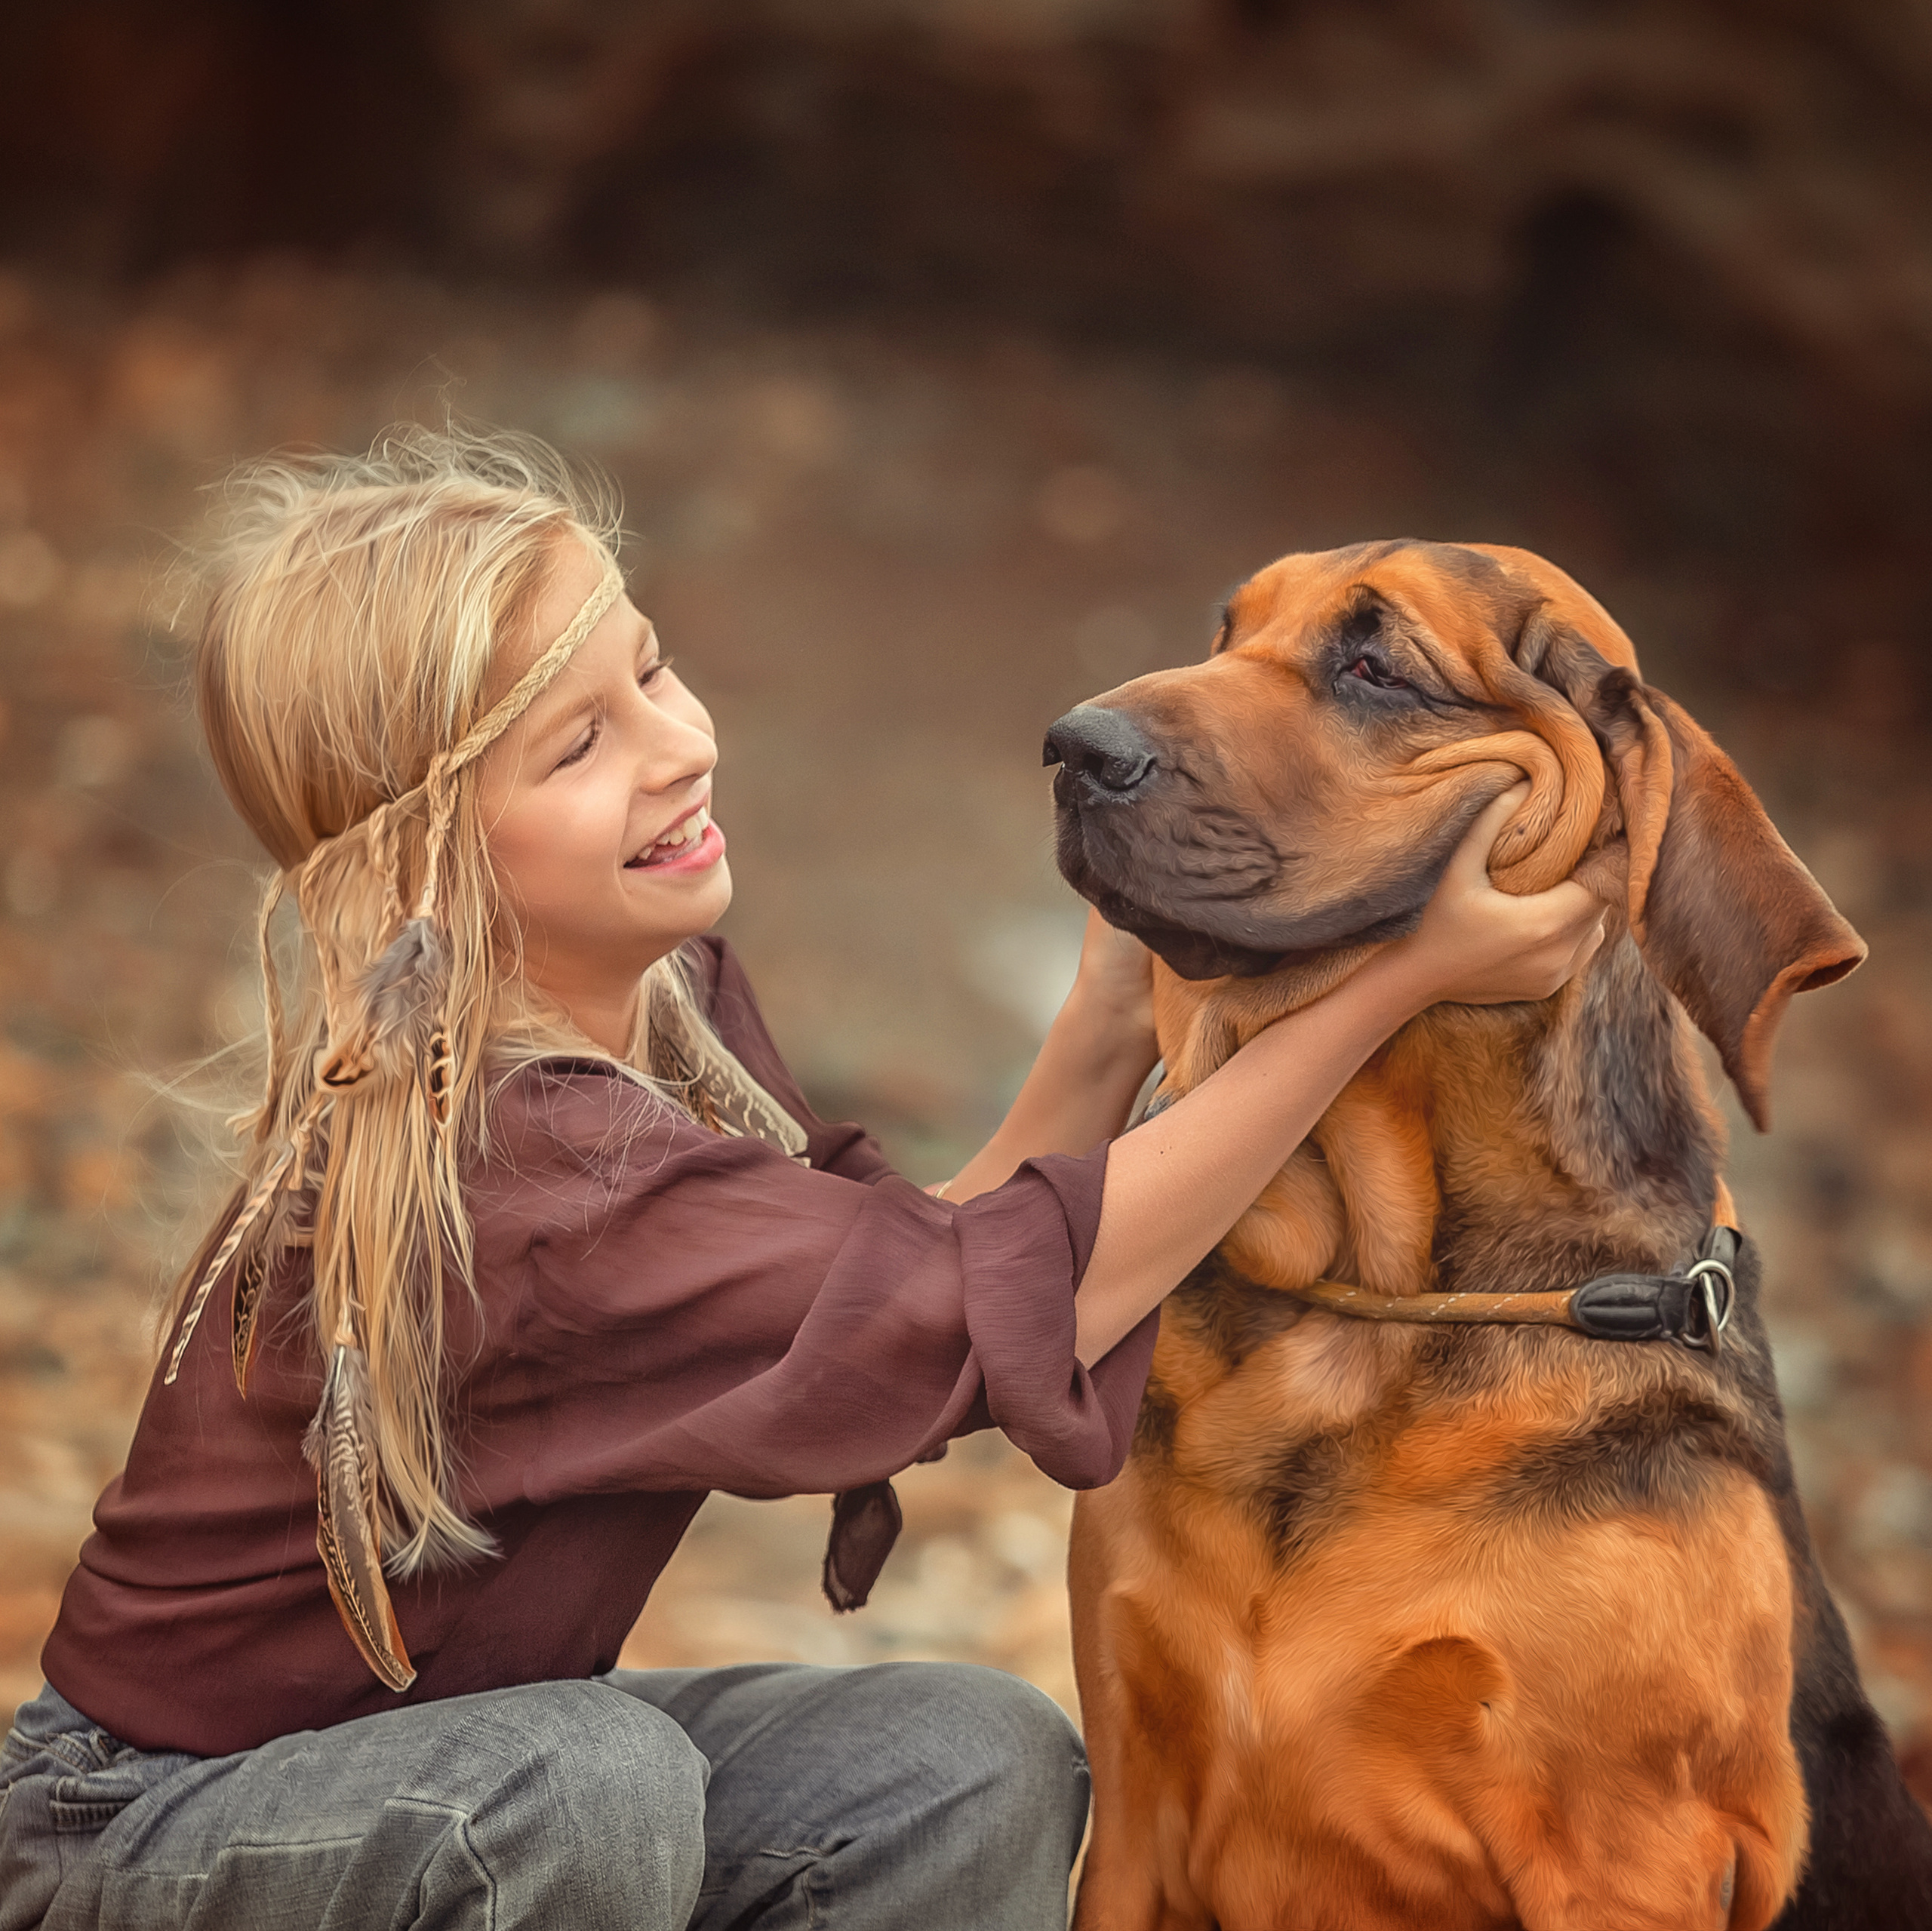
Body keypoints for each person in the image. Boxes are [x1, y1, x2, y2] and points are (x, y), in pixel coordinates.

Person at [0, 429, 1604, 1931]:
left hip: (432, 1769)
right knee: (581, 1791)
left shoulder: (663, 1004)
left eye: (651, 669)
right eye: (580, 745)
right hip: (141, 1828)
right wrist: (1389, 983)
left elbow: (934, 1268)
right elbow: (1013, 1297)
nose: (681, 746)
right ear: (430, 857)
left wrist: (1114, 1004)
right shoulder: (535, 1165)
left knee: (963, 1756)